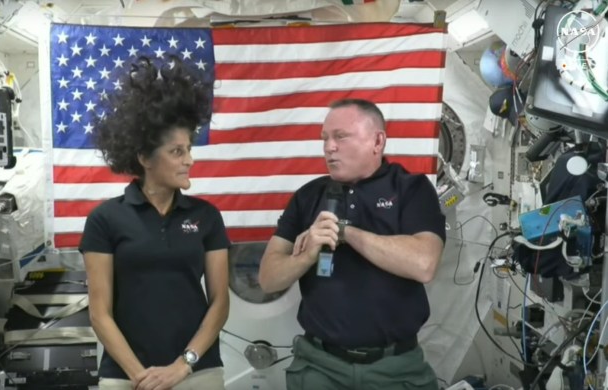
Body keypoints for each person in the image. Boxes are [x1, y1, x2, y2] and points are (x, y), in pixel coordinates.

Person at [258, 99, 446, 390]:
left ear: (377, 141)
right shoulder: (308, 197)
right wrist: (307, 256)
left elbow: (424, 265)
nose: (329, 147)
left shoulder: (412, 189)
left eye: (340, 136)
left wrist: (346, 232)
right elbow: (268, 280)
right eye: (325, 139)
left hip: (395, 369)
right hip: (320, 367)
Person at [79, 57, 230, 390]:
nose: (189, 160)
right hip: (125, 376)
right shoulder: (104, 220)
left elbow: (220, 302)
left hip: (198, 371)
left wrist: (182, 366)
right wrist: (141, 377)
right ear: (145, 158)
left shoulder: (207, 217)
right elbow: (99, 313)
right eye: (177, 152)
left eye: (189, 149)